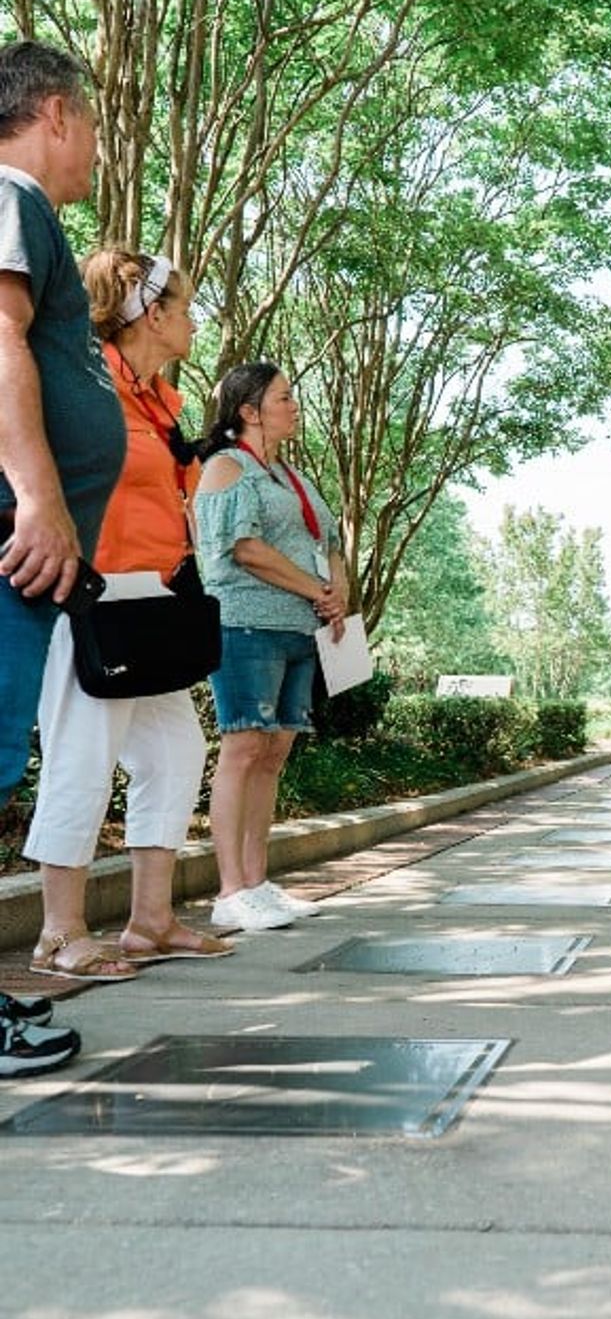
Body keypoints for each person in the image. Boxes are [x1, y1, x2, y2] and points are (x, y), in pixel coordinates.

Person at [25, 250, 232, 979]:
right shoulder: (85, 389)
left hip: (148, 600)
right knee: (82, 760)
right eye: (185, 305)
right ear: (153, 312)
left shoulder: (156, 401)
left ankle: (150, 921)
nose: (195, 319)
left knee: (177, 752)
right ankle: (59, 933)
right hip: (86, 599)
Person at [0, 39, 125, 1074]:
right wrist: (40, 495)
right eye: (87, 121)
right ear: (50, 112)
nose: (93, 144)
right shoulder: (9, 193)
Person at [193, 361, 347, 931]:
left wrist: (338, 593)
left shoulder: (292, 475)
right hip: (245, 625)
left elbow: (327, 539)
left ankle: (258, 882)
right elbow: (244, 548)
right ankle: (230, 890)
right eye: (284, 397)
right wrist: (317, 589)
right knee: (243, 749)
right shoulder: (227, 469)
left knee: (274, 754)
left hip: (298, 630)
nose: (294, 405)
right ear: (249, 411)